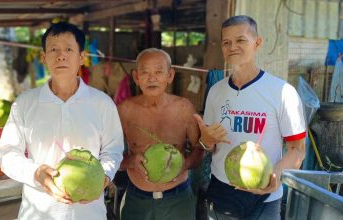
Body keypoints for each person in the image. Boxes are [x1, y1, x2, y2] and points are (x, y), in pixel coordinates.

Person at [0, 22, 124, 220]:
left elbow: (113, 150)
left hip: (89, 213)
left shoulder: (102, 103)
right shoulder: (24, 103)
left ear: (81, 57)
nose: (60, 55)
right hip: (38, 213)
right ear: (44, 57)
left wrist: (104, 176)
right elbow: (7, 155)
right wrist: (36, 173)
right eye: (53, 49)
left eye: (68, 49)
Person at [193, 15, 306, 220]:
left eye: (240, 40)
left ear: (257, 42)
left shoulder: (283, 92)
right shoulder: (216, 91)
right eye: (226, 42)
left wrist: (276, 176)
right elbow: (209, 146)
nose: (232, 47)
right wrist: (206, 140)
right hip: (222, 193)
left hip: (264, 197)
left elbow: (297, 149)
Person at [118, 48, 204, 220]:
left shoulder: (183, 108)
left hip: (178, 199)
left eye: (158, 72)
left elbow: (199, 148)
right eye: (145, 72)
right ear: (136, 77)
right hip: (137, 199)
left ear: (170, 76)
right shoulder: (125, 110)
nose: (152, 78)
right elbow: (110, 155)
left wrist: (185, 164)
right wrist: (131, 161)